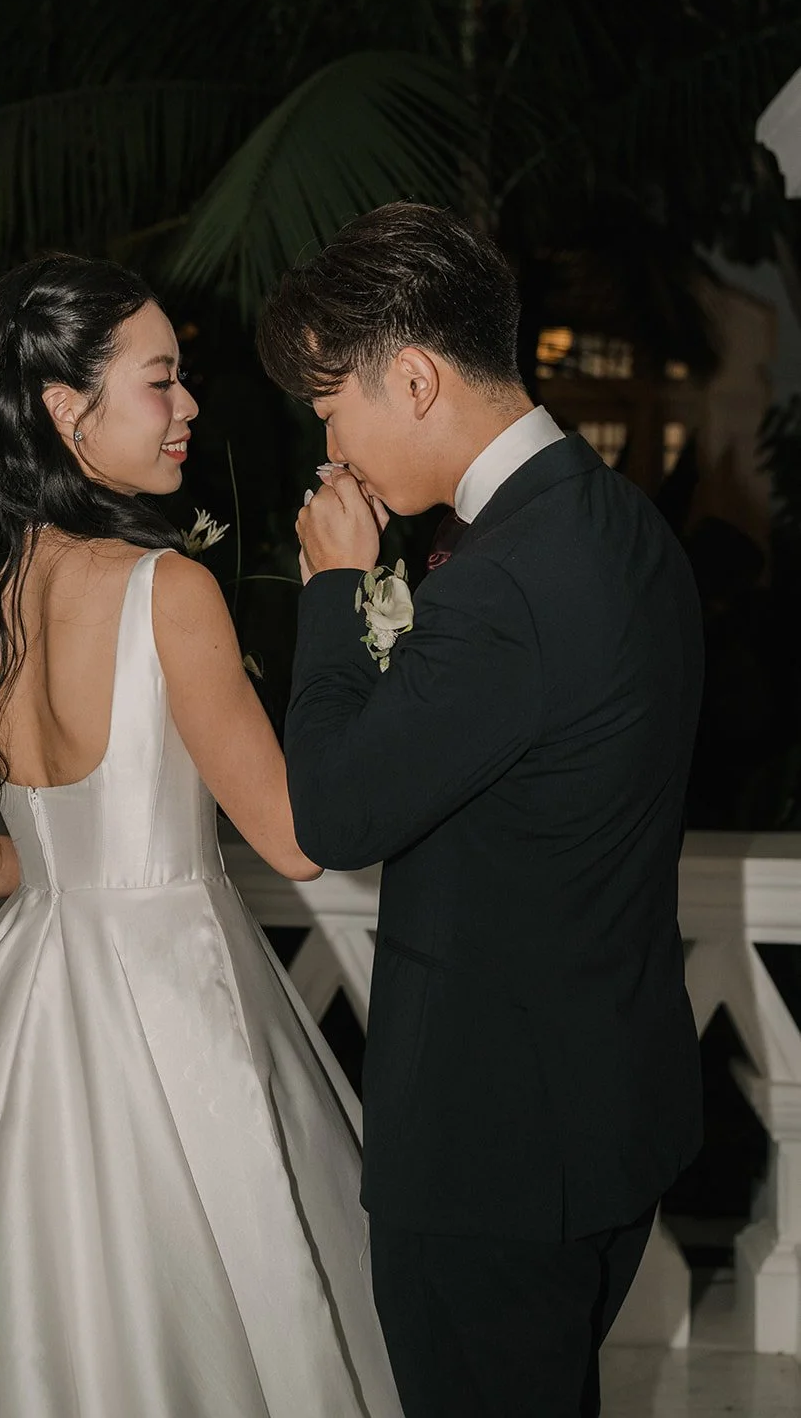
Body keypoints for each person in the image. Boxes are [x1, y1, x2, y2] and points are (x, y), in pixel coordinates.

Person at [0, 256, 401, 1417]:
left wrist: (71, 861)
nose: (187, 405)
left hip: (24, 994)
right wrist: (344, 588)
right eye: (161, 380)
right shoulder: (167, 588)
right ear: (65, 408)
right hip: (172, 989)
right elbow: (302, 842)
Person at [257, 202, 704, 1418]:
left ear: (410, 376)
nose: (329, 440)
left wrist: (336, 591)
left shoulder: (503, 582)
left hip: (493, 1154)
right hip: (607, 1116)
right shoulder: (623, 528)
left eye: (329, 403)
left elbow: (335, 814)